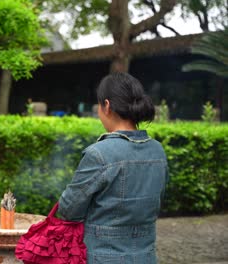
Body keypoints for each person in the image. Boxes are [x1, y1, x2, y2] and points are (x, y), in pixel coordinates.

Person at [58, 72, 168, 264]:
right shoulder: (157, 151)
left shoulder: (99, 153)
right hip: (146, 257)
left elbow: (68, 210)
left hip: (102, 257)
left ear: (106, 106)